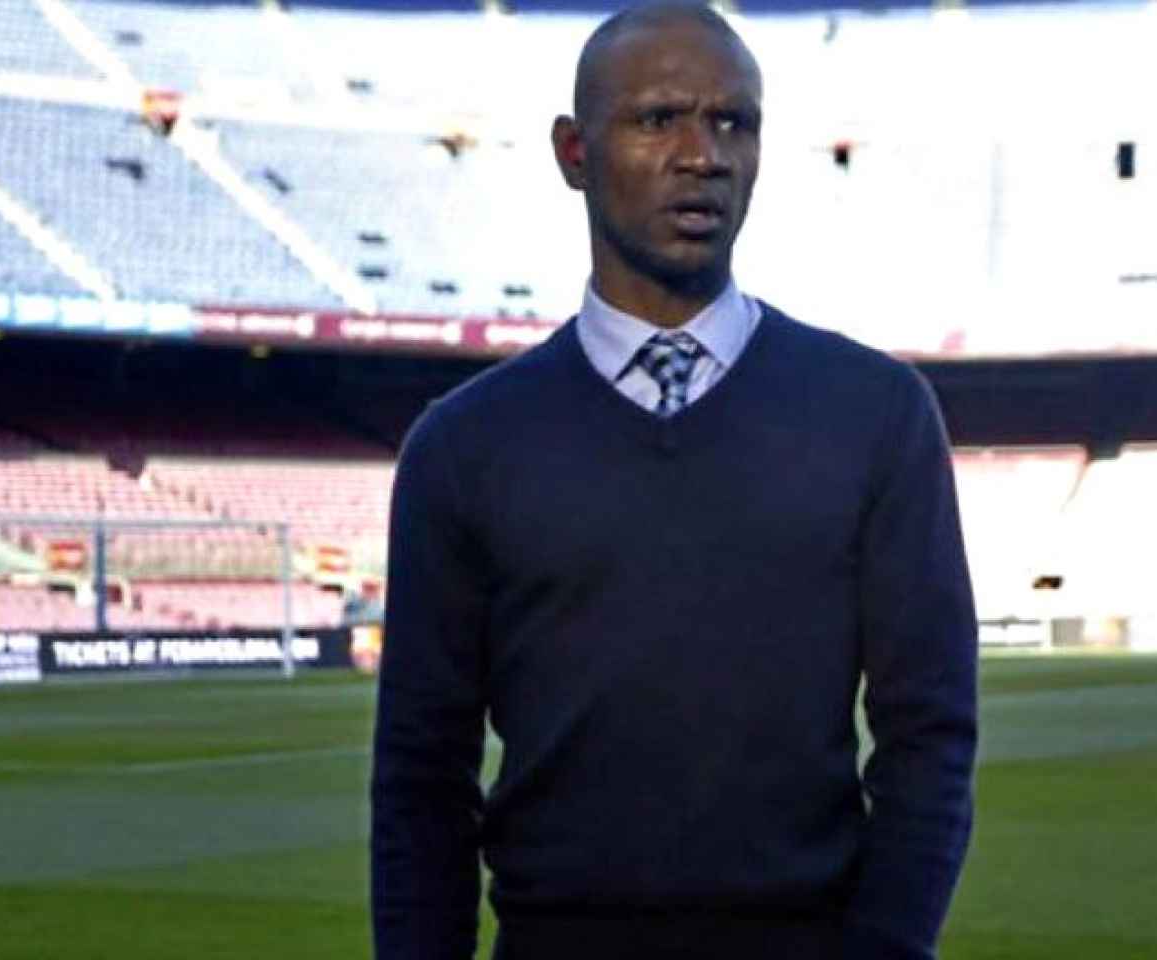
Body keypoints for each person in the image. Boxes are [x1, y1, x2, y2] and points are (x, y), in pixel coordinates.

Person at [369, 5, 977, 960]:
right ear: (574, 152)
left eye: (733, 122)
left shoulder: (877, 414)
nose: (704, 154)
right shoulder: (463, 447)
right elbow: (421, 779)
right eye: (659, 120)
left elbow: (931, 739)